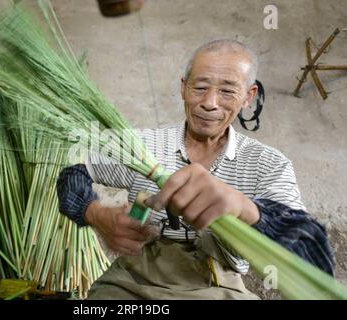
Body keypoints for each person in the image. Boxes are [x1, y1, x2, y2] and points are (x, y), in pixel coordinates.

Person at [56, 39, 334, 299]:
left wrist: (245, 208)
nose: (209, 103)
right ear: (183, 87)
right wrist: (94, 214)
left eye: (227, 90)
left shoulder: (268, 163)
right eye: (200, 87)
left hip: (217, 287)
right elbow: (73, 173)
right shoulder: (141, 147)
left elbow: (309, 248)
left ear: (249, 96)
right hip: (133, 284)